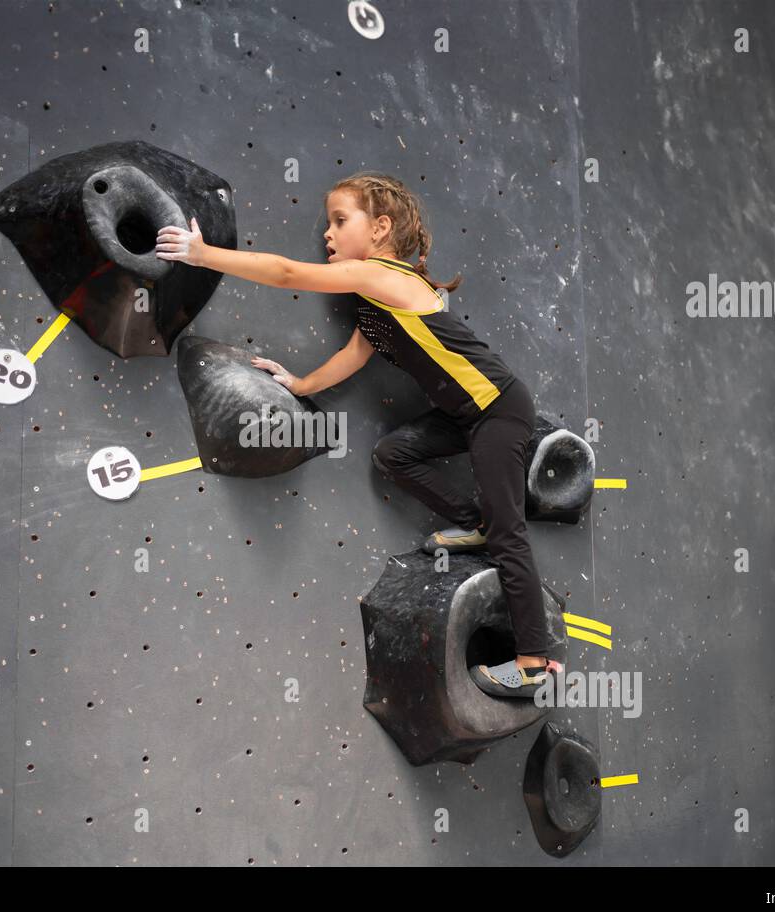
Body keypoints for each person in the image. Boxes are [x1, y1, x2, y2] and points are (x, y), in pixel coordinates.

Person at [155, 172, 560, 697]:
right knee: (394, 455)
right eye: (327, 223)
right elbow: (353, 356)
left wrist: (203, 254)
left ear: (381, 228)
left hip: (498, 410)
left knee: (511, 535)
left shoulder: (383, 277)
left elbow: (283, 272)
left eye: (340, 221)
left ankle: (534, 662)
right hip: (466, 415)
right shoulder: (373, 305)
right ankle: (476, 521)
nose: (327, 233)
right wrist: (298, 383)